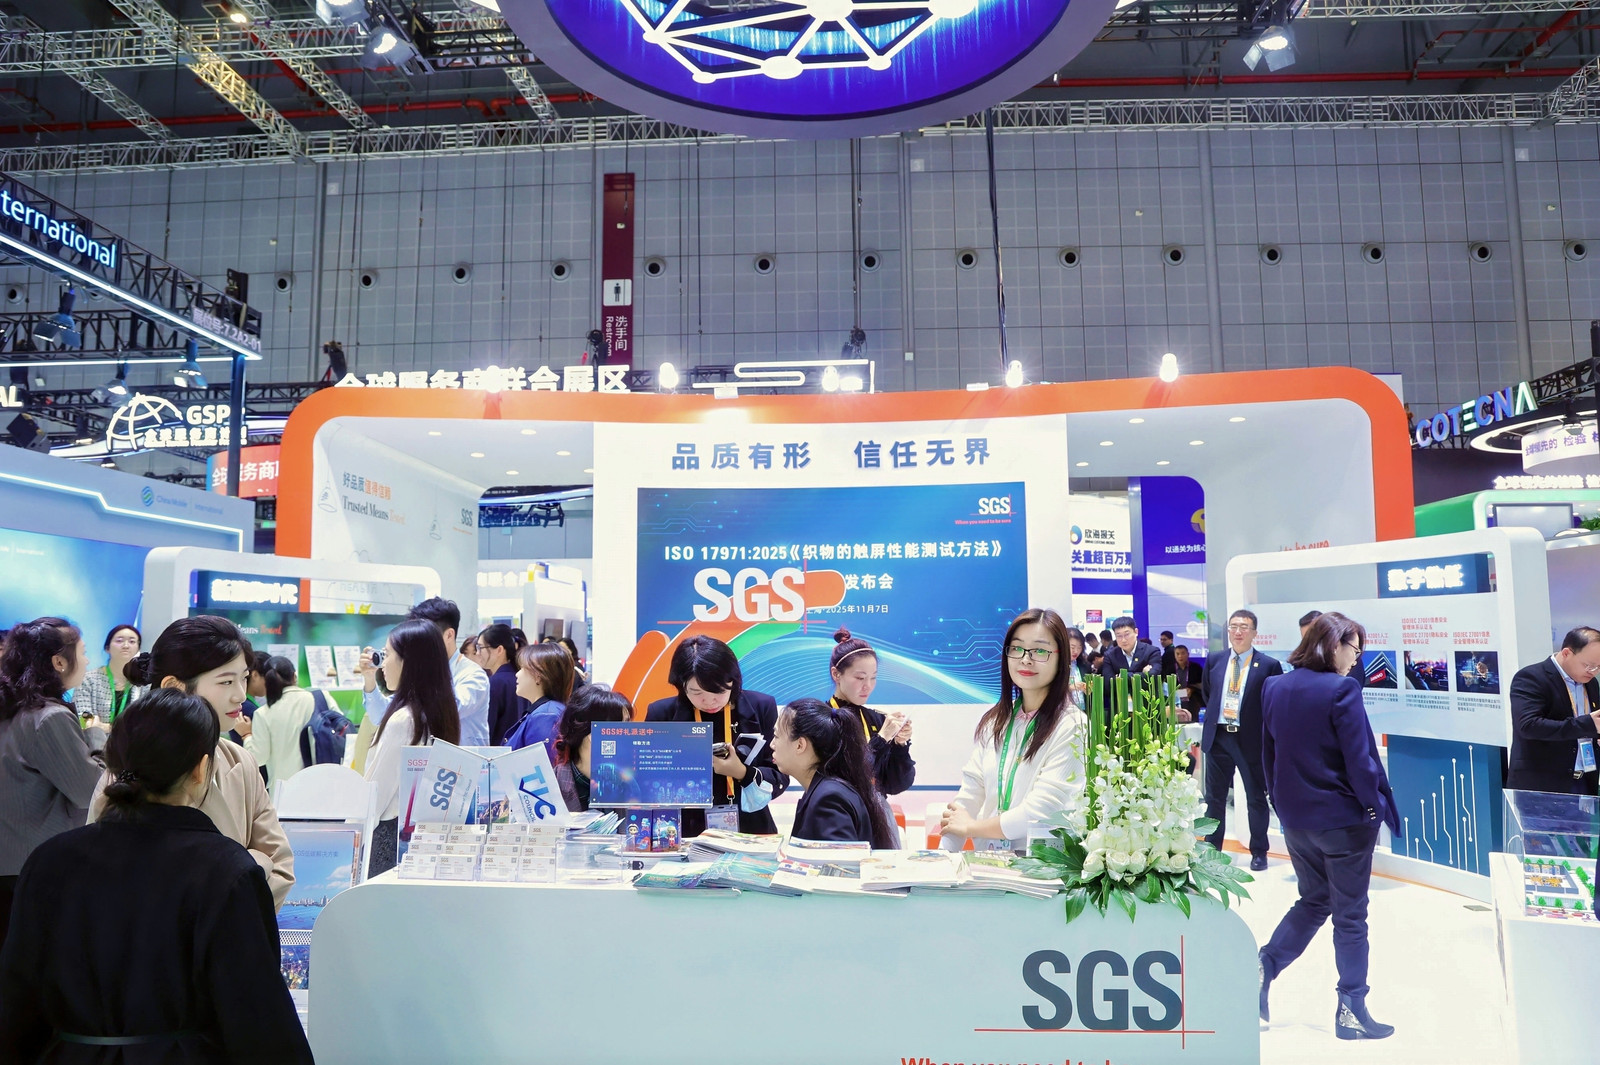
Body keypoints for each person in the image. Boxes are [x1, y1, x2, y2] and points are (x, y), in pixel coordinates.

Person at [0, 688, 314, 1064]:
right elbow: (257, 1017)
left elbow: (16, 1003)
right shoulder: (226, 870)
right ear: (201, 769)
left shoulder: (49, 861)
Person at [1258, 612, 1399, 1041]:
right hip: (1342, 821)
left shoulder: (1274, 686)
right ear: (1333, 644)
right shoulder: (1342, 689)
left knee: (1315, 899)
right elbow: (1360, 760)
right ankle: (1352, 1009)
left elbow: (1268, 754)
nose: (1356, 660)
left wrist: (1280, 804)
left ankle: (1262, 966)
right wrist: (1373, 807)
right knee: (1350, 917)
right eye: (1355, 650)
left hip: (1296, 821)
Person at [95, 616, 295, 909]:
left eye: (243, 678)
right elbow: (105, 881)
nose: (240, 695)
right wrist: (251, 864)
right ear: (174, 686)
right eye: (226, 681)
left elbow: (281, 868)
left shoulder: (240, 761)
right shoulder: (126, 769)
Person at [940, 608, 1087, 851]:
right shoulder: (996, 721)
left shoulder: (1073, 725)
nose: (1026, 659)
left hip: (1042, 866)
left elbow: (1041, 810)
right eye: (1017, 648)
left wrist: (971, 828)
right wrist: (941, 857)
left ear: (1061, 659)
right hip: (990, 864)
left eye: (1040, 650)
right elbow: (969, 796)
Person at [0, 618, 106, 953]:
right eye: (83, 652)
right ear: (59, 662)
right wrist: (95, 735)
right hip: (36, 869)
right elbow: (90, 791)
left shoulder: (12, 707)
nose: (87, 661)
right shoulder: (48, 717)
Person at [645, 636, 787, 836]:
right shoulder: (661, 714)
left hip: (750, 827)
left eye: (718, 691)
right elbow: (648, 780)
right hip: (685, 830)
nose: (709, 701)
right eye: (696, 692)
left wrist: (742, 772)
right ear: (681, 686)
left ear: (733, 681)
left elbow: (781, 774)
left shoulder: (761, 707)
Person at [359, 618, 461, 877]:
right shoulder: (438, 712)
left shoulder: (404, 720)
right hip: (421, 835)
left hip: (388, 837)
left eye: (387, 655)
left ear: (409, 662)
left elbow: (377, 792)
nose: (382, 664)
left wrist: (351, 833)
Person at [1200, 608, 1283, 871]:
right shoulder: (1214, 660)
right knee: (1214, 799)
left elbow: (1273, 704)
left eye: (1244, 627)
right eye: (1234, 626)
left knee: (1255, 798)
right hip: (1218, 737)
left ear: (1254, 632)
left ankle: (1259, 851)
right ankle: (1212, 851)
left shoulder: (1268, 665)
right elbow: (1208, 694)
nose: (1238, 632)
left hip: (1250, 740)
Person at [825, 629, 914, 846]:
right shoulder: (821, 718)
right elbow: (845, 775)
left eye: (873, 678)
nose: (868, 686)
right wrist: (881, 739)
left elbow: (895, 785)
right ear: (836, 674)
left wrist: (900, 745)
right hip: (837, 814)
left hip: (878, 815)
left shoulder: (877, 718)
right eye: (860, 678)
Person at [363, 597, 488, 747]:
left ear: (449, 635)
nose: (419, 642)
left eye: (426, 634)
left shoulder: (473, 675)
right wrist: (369, 679)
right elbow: (381, 715)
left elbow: (446, 709)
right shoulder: (420, 675)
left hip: (465, 759)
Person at [773, 697, 897, 848]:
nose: (772, 744)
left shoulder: (828, 798)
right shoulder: (826, 789)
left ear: (800, 745)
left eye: (776, 736)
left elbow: (839, 862)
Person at [1505, 626, 1600, 795]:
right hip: (1543, 785)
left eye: (1599, 667)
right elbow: (1528, 725)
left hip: (1585, 780)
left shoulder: (1591, 683)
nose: (1593, 672)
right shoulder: (1531, 677)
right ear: (1566, 653)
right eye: (1589, 665)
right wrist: (1587, 725)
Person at [551, 685, 631, 811]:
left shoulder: (630, 783)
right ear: (592, 734)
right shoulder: (550, 786)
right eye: (622, 728)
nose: (630, 734)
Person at [243, 656, 316, 792]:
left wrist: (246, 735)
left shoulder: (263, 713)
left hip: (285, 791)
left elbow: (258, 758)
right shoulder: (320, 698)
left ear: (266, 682)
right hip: (322, 782)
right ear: (294, 676)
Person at [503, 642, 575, 756]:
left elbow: (542, 765)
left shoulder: (546, 716)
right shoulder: (546, 711)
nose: (517, 674)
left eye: (522, 668)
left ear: (538, 676)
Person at [73, 624, 146, 726]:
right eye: (119, 641)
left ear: (138, 648)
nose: (126, 646)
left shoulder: (144, 683)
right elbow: (82, 718)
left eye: (132, 641)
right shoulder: (88, 679)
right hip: (95, 736)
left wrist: (102, 726)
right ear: (107, 648)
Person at [481, 623, 525, 746]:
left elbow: (488, 728)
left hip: (497, 751)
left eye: (480, 647)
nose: (478, 653)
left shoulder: (495, 682)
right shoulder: (518, 677)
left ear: (499, 650)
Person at [1099, 616, 1161, 684]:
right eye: (1119, 636)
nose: (1123, 640)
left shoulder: (1152, 651)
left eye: (1127, 634)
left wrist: (1121, 676)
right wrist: (1142, 674)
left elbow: (1153, 677)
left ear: (1136, 632)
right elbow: (1108, 683)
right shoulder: (1110, 655)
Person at [1064, 626, 1092, 713]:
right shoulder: (1055, 665)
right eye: (1072, 647)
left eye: (1079, 647)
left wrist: (1089, 688)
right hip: (1062, 711)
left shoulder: (1085, 665)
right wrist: (1069, 688)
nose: (1076, 651)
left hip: (1083, 710)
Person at [1171, 644, 1204, 716]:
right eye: (1177, 654)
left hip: (1193, 701)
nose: (1180, 656)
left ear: (1188, 654)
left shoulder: (1196, 667)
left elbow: (1203, 683)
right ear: (1174, 655)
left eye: (1183, 653)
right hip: (1175, 702)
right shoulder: (1169, 669)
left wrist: (1192, 689)